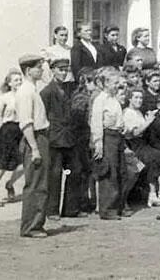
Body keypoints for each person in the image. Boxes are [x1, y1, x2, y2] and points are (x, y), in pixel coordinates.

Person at [41, 59, 83, 219]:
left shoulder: (68, 89)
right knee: (55, 174)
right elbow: (42, 115)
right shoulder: (47, 92)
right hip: (55, 137)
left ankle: (70, 209)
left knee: (75, 170)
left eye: (66, 69)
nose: (64, 72)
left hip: (69, 137)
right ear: (52, 70)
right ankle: (51, 210)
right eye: (60, 69)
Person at [16, 54, 51, 237]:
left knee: (41, 183)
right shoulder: (25, 92)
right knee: (35, 184)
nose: (42, 70)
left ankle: (37, 223)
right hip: (35, 139)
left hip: (41, 137)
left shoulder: (33, 89)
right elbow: (26, 123)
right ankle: (31, 226)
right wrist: (35, 148)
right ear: (29, 70)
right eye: (39, 67)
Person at [91, 69, 129, 220]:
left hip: (118, 136)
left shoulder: (114, 99)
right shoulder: (100, 99)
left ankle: (118, 206)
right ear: (106, 83)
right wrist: (98, 143)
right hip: (107, 138)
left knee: (121, 171)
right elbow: (96, 123)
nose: (117, 86)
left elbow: (118, 119)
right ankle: (107, 209)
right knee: (109, 172)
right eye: (114, 83)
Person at [0, 70, 24, 207]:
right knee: (1, 165)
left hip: (22, 131)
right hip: (8, 132)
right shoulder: (4, 98)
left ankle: (10, 184)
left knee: (24, 164)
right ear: (9, 83)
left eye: (20, 80)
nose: (19, 82)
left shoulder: (26, 95)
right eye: (15, 80)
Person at [122, 89, 160, 207]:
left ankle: (157, 190)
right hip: (132, 144)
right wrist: (149, 121)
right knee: (153, 157)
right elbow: (135, 133)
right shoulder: (128, 112)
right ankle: (155, 191)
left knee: (158, 154)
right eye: (136, 97)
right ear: (129, 99)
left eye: (141, 98)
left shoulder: (139, 112)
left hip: (142, 143)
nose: (139, 100)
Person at [70, 68, 96, 212]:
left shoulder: (90, 96)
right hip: (81, 138)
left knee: (88, 170)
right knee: (82, 170)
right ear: (85, 82)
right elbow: (79, 119)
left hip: (86, 136)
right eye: (93, 82)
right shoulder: (81, 97)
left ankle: (87, 201)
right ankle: (81, 203)